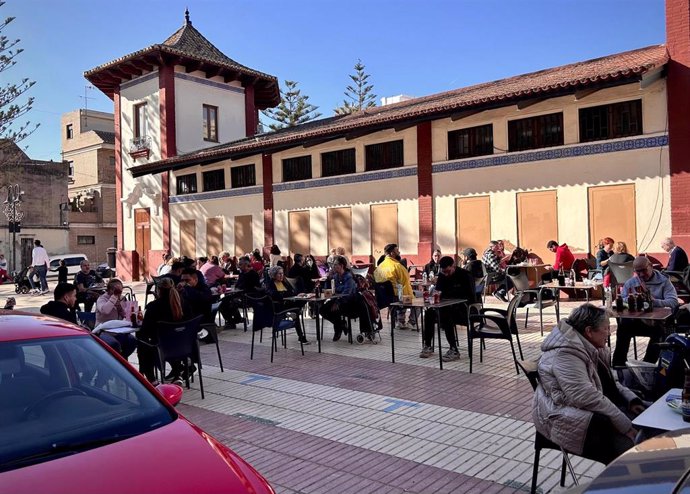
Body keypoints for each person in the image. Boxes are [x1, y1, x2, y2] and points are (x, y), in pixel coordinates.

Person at [534, 303, 644, 465]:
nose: (610, 332)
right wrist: (624, 425)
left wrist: (631, 400)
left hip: (598, 413)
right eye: (606, 328)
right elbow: (584, 397)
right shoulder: (566, 354)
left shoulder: (590, 346)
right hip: (573, 422)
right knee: (637, 454)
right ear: (589, 331)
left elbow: (610, 381)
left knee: (650, 426)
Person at [612, 256, 679, 366]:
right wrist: (630, 301)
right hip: (637, 322)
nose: (641, 274)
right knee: (623, 327)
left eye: (644, 270)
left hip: (656, 324)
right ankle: (619, 364)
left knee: (660, 332)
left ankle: (646, 365)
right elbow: (622, 299)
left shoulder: (664, 282)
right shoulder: (631, 283)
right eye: (638, 272)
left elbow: (673, 302)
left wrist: (655, 301)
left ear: (651, 266)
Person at [420, 256, 478, 361]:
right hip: (446, 307)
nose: (446, 274)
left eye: (448, 271)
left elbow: (471, 296)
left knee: (446, 314)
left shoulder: (465, 275)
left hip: (465, 310)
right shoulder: (442, 275)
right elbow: (438, 291)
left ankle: (454, 349)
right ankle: (428, 345)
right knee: (429, 313)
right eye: (443, 272)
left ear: (453, 266)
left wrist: (450, 295)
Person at [137, 277, 192, 384]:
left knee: (142, 340)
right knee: (171, 339)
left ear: (159, 290)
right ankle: (177, 374)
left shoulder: (154, 307)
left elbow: (145, 330)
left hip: (160, 347)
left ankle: (151, 378)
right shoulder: (184, 304)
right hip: (183, 346)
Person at [320, 256, 364, 341]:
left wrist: (338, 302)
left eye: (335, 265)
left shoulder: (348, 277)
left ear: (341, 266)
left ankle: (338, 330)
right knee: (322, 309)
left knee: (335, 310)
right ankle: (341, 324)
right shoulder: (335, 276)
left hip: (350, 303)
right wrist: (327, 280)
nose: (333, 267)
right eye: (333, 265)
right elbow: (330, 291)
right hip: (337, 300)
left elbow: (347, 294)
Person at [373, 243, 416, 329]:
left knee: (401, 292)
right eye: (397, 251)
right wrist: (412, 298)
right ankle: (411, 322)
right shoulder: (397, 266)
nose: (399, 252)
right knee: (418, 296)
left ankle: (400, 320)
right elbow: (406, 284)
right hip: (397, 297)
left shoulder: (378, 268)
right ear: (392, 253)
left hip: (383, 298)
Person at [263, 266, 310, 344]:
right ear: (274, 275)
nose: (282, 275)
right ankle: (300, 336)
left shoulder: (283, 282)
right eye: (279, 274)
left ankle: (295, 312)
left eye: (282, 273)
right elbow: (274, 295)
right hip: (279, 308)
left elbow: (291, 292)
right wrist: (284, 294)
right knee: (296, 312)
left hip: (288, 304)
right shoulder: (270, 284)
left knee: (303, 300)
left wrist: (298, 294)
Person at [95, 279, 137, 358]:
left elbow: (127, 316)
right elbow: (105, 310)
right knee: (114, 344)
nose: (119, 293)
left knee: (132, 341)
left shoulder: (122, 298)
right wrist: (114, 297)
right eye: (117, 290)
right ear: (110, 290)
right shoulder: (102, 299)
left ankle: (121, 360)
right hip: (104, 330)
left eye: (120, 290)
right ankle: (117, 361)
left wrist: (121, 309)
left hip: (118, 330)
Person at [219, 257, 261, 328]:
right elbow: (238, 285)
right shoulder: (242, 274)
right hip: (239, 295)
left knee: (230, 302)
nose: (239, 266)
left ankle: (234, 321)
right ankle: (234, 320)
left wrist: (239, 289)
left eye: (240, 265)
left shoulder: (253, 274)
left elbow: (255, 288)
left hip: (249, 297)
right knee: (221, 302)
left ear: (246, 265)